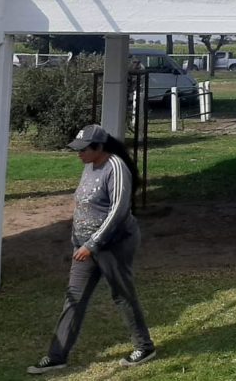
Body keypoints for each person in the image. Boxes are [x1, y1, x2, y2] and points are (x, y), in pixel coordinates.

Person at [28, 124, 156, 374]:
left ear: (99, 147)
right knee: (74, 298)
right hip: (84, 247)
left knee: (122, 295)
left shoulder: (116, 167)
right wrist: (79, 240)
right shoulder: (89, 166)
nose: (79, 154)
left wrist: (93, 243)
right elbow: (84, 205)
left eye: (83, 149)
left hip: (114, 244)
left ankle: (145, 346)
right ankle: (57, 356)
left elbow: (118, 211)